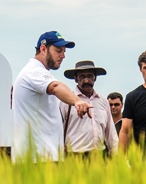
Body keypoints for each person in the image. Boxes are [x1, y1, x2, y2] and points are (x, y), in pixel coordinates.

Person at [13, 31, 93, 162]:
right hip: (38, 159)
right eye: (58, 50)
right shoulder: (34, 72)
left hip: (40, 157)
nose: (63, 55)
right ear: (43, 49)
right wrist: (77, 101)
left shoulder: (36, 72)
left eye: (64, 51)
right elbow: (56, 87)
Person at [60, 60, 118, 157]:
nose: (86, 80)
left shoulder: (103, 101)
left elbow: (111, 133)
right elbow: (58, 131)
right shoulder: (67, 101)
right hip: (74, 156)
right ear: (75, 78)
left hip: (99, 156)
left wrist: (117, 158)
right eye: (82, 76)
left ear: (95, 78)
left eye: (90, 76)